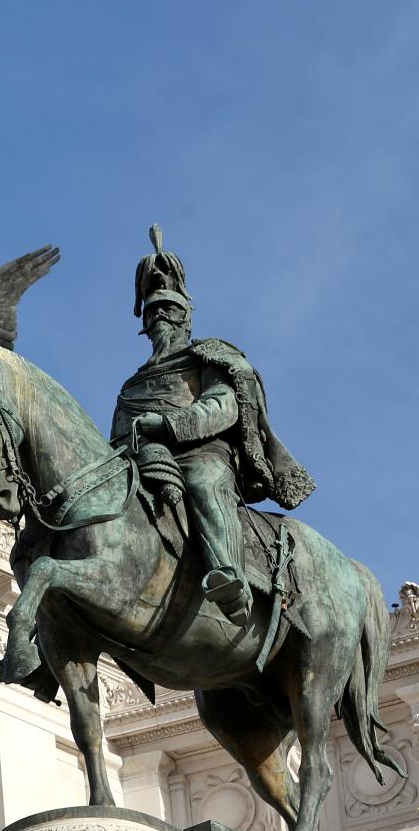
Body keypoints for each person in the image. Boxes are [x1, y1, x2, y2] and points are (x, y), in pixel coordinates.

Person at [110, 226, 314, 627]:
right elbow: (116, 438)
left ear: (186, 319)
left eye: (168, 313)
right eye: (153, 316)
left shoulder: (209, 357)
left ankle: (230, 578)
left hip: (206, 454)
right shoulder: (131, 385)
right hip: (146, 461)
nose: (160, 322)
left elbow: (221, 408)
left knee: (203, 483)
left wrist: (166, 424)